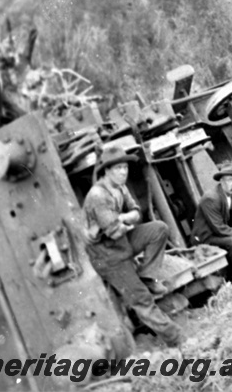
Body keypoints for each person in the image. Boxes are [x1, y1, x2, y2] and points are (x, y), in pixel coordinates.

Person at [83, 145, 182, 347]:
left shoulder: (120, 187)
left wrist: (122, 218)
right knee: (141, 299)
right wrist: (124, 221)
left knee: (158, 229)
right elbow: (114, 231)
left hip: (122, 243)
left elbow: (137, 212)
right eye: (118, 168)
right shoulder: (98, 196)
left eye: (125, 167)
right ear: (107, 171)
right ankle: (176, 338)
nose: (123, 172)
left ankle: (147, 276)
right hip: (107, 256)